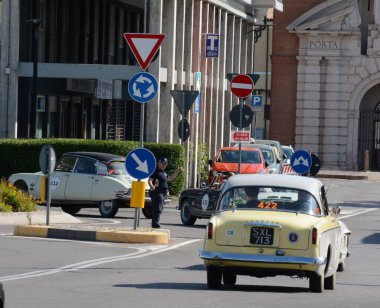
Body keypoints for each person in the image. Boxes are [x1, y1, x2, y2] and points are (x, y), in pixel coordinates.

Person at [148, 157, 182, 228]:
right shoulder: (156, 171)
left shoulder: (163, 173)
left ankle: (155, 223)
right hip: (157, 192)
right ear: (159, 163)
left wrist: (176, 172)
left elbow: (170, 179)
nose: (164, 165)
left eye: (165, 164)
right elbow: (150, 180)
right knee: (158, 208)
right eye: (162, 163)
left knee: (159, 207)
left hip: (163, 193)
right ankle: (155, 223)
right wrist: (152, 186)